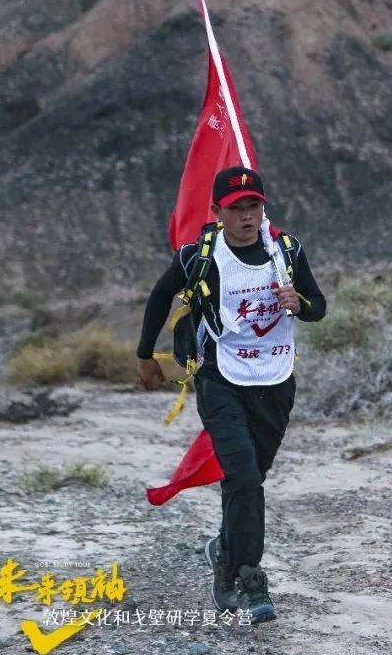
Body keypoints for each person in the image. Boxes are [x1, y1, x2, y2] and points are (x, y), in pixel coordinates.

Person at [136, 166, 326, 623]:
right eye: (236, 208)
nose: (247, 216)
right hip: (221, 379)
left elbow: (318, 307)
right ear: (218, 211)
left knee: (249, 478)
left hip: (276, 381)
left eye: (254, 206)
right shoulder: (199, 257)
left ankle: (224, 546)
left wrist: (300, 305)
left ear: (264, 207)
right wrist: (146, 355)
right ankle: (244, 576)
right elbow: (160, 297)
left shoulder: (286, 253)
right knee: (243, 478)